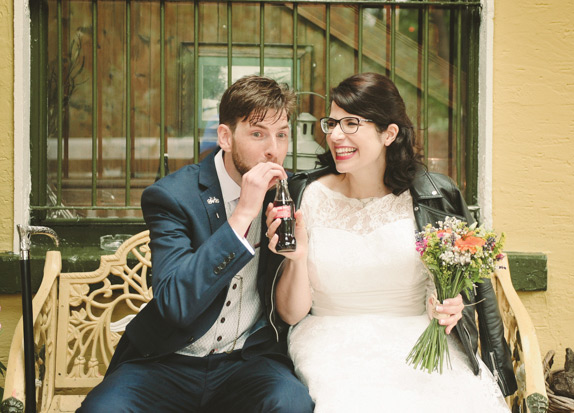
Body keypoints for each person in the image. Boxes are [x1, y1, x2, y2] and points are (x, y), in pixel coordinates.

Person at [264, 72, 518, 412]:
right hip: (329, 343)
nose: (336, 135)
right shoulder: (305, 196)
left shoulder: (430, 197)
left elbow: (446, 291)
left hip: (417, 341)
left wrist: (449, 305)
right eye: (332, 123)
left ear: (389, 133)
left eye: (351, 123)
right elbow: (291, 314)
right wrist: (297, 258)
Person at [78, 75, 314, 413]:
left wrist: (295, 257)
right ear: (225, 137)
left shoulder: (291, 194)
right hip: (166, 360)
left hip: (247, 360)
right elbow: (175, 303)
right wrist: (243, 213)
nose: (272, 150)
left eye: (281, 135)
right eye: (258, 133)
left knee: (291, 404)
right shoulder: (173, 196)